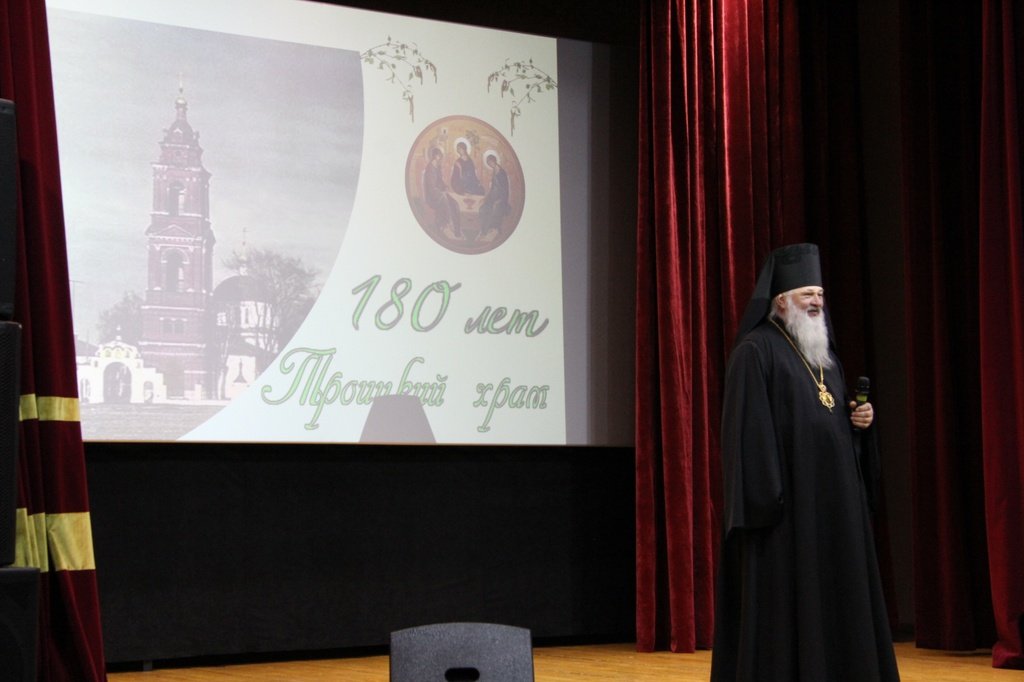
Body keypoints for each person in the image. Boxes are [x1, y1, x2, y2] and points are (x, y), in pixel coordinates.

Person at [711, 243, 899, 682]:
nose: (817, 302)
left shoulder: (825, 359)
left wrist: (860, 424)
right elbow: (747, 436)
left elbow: (829, 423)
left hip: (833, 516)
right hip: (786, 520)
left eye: (820, 295)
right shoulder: (755, 352)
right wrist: (770, 500)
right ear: (781, 301)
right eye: (807, 294)